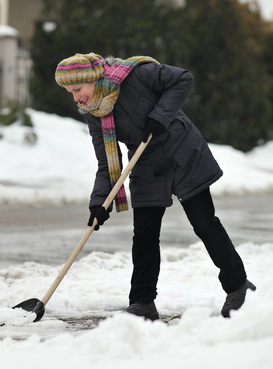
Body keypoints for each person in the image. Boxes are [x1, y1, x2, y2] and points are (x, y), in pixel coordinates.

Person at [55, 52, 256, 320]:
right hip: (146, 161)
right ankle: (143, 302)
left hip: (181, 150)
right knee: (145, 234)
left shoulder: (137, 75)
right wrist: (99, 203)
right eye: (70, 92)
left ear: (94, 78)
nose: (76, 97)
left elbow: (183, 79)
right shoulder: (94, 112)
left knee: (204, 223)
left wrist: (160, 115)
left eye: (78, 89)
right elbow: (106, 162)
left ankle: (238, 285)